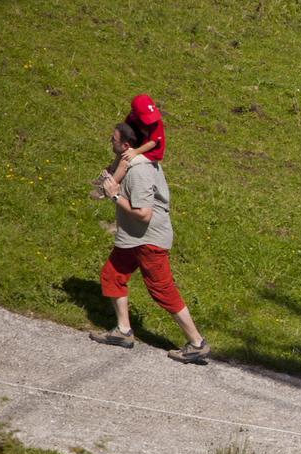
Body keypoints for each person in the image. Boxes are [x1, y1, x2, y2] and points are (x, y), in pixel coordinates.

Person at [89, 122, 210, 364]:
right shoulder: (130, 163)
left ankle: (197, 343)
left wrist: (115, 195)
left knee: (162, 290)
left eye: (112, 139)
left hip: (148, 239)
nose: (109, 141)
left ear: (125, 145)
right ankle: (123, 331)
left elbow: (144, 213)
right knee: (112, 276)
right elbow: (100, 188)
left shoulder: (140, 171)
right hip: (133, 237)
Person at [89, 94, 166, 200]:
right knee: (122, 152)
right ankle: (111, 173)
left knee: (126, 160)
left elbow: (152, 143)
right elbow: (127, 132)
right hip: (138, 146)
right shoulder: (132, 117)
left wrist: (135, 152)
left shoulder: (157, 123)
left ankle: (109, 186)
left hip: (150, 153)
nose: (150, 120)